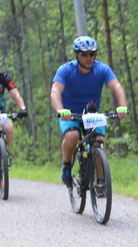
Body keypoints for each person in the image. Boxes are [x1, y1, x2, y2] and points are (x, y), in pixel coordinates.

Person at [50, 36, 128, 191]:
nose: (88, 58)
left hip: (91, 115)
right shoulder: (66, 69)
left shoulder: (102, 69)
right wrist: (60, 110)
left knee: (98, 141)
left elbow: (117, 87)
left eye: (91, 54)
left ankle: (101, 182)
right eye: (84, 55)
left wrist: (122, 106)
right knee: (72, 136)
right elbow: (55, 91)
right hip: (69, 114)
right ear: (77, 55)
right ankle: (66, 166)